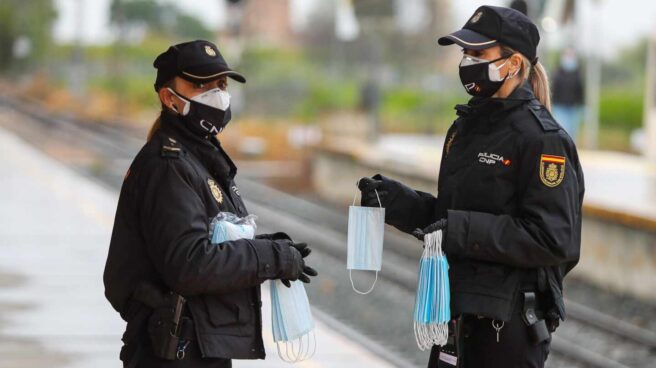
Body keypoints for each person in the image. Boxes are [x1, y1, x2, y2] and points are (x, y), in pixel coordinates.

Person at [358, 6, 584, 368]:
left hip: (505, 327)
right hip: (454, 317)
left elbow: (554, 239)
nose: (467, 61)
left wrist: (460, 230)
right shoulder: (465, 128)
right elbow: (451, 220)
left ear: (513, 64)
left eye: (479, 53)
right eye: (465, 53)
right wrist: (397, 202)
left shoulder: (543, 140)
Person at [103, 40, 317, 368]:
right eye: (200, 84)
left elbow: (208, 241)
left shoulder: (196, 158)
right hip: (171, 353)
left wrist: (271, 249)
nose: (215, 93)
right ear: (168, 98)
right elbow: (190, 264)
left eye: (221, 84)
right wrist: (269, 258)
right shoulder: (169, 166)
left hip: (195, 347)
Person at [551, 48, 585, 140]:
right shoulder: (557, 72)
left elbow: (580, 91)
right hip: (560, 107)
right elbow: (554, 89)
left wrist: (582, 105)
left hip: (573, 108)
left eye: (572, 56)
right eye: (568, 55)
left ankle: (570, 152)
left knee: (572, 132)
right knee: (561, 130)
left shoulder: (578, 73)